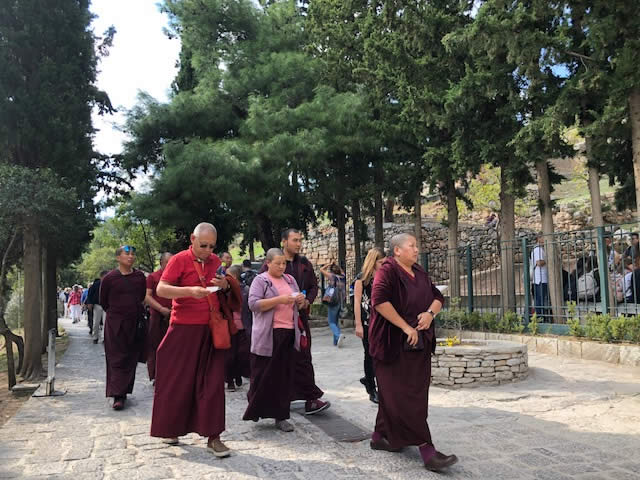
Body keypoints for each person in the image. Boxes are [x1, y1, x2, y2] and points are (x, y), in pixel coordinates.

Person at [150, 222, 241, 458]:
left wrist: (224, 285)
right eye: (203, 245)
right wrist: (189, 291)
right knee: (176, 381)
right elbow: (161, 289)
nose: (208, 251)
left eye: (212, 246)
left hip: (211, 330)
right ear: (192, 239)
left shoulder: (215, 261)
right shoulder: (179, 260)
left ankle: (214, 437)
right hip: (183, 329)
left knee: (213, 385)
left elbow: (226, 289)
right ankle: (171, 429)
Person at [368, 233, 457, 471]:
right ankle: (427, 450)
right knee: (403, 397)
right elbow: (379, 301)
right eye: (412, 246)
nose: (417, 250)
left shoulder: (418, 271)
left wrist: (430, 314)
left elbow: (437, 297)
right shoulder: (387, 271)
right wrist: (406, 327)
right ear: (397, 250)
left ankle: (379, 437)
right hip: (391, 345)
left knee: (408, 394)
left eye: (417, 246)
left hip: (418, 345)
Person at [260, 228, 330, 415]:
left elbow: (313, 286)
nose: (298, 244)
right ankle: (277, 401)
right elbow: (258, 292)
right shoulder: (271, 264)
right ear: (284, 241)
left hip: (299, 320)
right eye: (295, 240)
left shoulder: (304, 263)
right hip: (277, 324)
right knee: (278, 361)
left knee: (304, 358)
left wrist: (307, 301)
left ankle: (311, 399)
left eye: (300, 240)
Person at [243, 248, 307, 431]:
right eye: (277, 263)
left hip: (289, 332)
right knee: (262, 375)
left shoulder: (290, 280)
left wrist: (300, 300)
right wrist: (279, 300)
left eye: (284, 263)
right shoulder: (261, 280)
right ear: (268, 263)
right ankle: (256, 408)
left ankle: (281, 416)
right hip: (269, 334)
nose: (281, 266)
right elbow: (253, 304)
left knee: (284, 376)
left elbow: (299, 306)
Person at [99, 246, 147, 410]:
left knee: (130, 358)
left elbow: (141, 296)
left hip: (134, 323)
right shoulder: (109, 278)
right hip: (115, 325)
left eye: (133, 254)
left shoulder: (139, 277)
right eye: (127, 254)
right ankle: (117, 395)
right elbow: (103, 301)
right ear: (118, 257)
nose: (131, 256)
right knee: (116, 358)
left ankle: (124, 391)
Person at [353, 248, 385, 404]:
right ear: (373, 262)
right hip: (367, 322)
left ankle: (372, 380)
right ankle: (372, 388)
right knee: (370, 354)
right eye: (380, 262)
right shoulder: (362, 279)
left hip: (382, 322)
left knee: (380, 354)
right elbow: (357, 302)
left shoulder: (384, 277)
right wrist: (358, 324)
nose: (383, 265)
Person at [144, 252, 173, 383]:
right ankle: (157, 376)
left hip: (174, 316)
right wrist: (161, 309)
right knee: (156, 346)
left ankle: (170, 375)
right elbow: (147, 296)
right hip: (157, 316)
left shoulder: (176, 278)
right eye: (168, 262)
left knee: (173, 347)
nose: (170, 265)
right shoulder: (153, 277)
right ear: (161, 263)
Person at [225, 265, 250, 391]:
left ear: (234, 277)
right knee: (230, 356)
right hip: (230, 327)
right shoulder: (225, 291)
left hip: (244, 327)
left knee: (242, 354)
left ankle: (238, 373)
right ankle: (230, 380)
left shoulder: (246, 290)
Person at [320, 261, 347, 347]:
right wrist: (336, 265)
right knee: (336, 321)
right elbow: (341, 271)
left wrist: (329, 264)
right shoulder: (343, 277)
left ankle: (338, 335)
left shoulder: (332, 276)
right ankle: (336, 341)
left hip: (333, 301)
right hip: (341, 301)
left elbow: (321, 269)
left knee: (331, 321)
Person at [531, 233, 548, 319]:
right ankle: (540, 318)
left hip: (540, 279)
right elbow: (539, 262)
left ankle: (540, 318)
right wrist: (548, 259)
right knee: (540, 301)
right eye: (544, 237)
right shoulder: (538, 249)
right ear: (539, 238)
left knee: (539, 300)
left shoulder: (539, 249)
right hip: (540, 279)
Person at [89, 271, 108, 344]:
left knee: (106, 322)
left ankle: (104, 338)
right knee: (96, 322)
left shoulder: (109, 284)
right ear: (101, 277)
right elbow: (90, 294)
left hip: (106, 305)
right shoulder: (96, 284)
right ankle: (95, 337)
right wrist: (90, 303)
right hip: (97, 305)